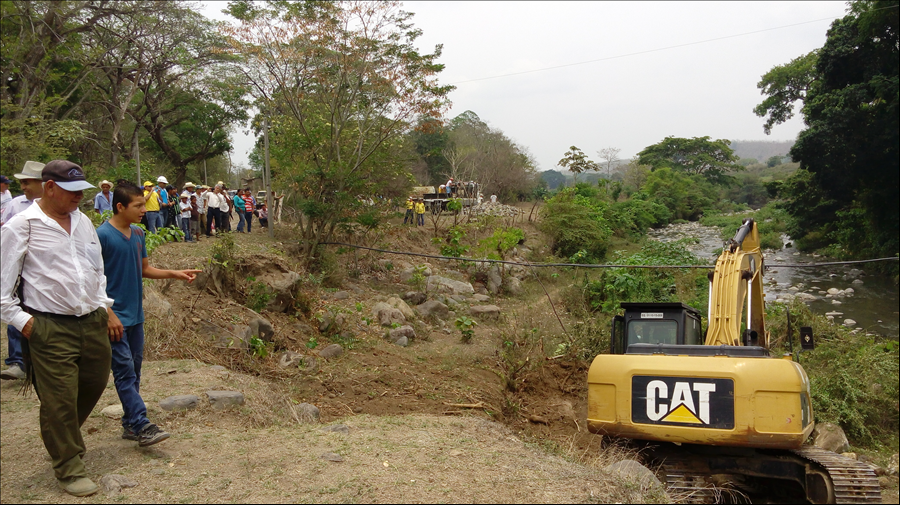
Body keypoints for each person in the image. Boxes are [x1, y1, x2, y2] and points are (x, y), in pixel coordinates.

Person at [0, 160, 114, 497]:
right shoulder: (21, 226)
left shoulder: (84, 223)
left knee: (94, 382)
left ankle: (56, 431)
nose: (79, 197)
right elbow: (2, 288)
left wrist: (105, 307)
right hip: (49, 325)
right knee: (60, 399)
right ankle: (68, 465)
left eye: (82, 191)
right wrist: (26, 323)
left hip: (91, 320)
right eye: (72, 191)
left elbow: (96, 269)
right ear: (49, 187)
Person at [97, 181, 201, 451]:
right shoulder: (102, 236)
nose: (144, 209)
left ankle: (130, 423)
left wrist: (174, 273)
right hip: (114, 317)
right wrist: (107, 312)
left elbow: (145, 269)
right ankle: (142, 424)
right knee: (124, 371)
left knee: (135, 370)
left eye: (144, 204)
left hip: (136, 316)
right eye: (138, 205)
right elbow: (90, 279)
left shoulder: (139, 234)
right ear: (120, 207)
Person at [0, 161, 45, 381]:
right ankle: (17, 361)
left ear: (44, 183)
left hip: (42, 272)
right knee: (15, 310)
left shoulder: (56, 207)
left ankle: (36, 361)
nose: (23, 186)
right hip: (19, 270)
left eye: (28, 182)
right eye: (22, 182)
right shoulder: (15, 205)